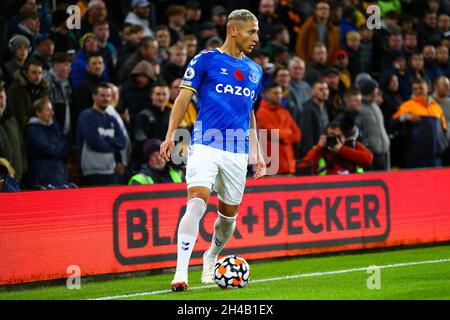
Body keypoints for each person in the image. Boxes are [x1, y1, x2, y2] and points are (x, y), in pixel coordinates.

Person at [160, 9, 265, 291]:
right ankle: (181, 272)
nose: (256, 37)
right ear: (233, 30)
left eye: (256, 31)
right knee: (196, 202)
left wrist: (257, 151)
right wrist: (171, 134)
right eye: (251, 31)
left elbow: (250, 112)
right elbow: (183, 97)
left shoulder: (255, 71)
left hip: (237, 151)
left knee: (228, 217)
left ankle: (211, 256)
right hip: (204, 144)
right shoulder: (205, 60)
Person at [76, 83, 126, 186]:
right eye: (102, 95)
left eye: (108, 96)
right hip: (92, 172)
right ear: (94, 96)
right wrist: (113, 145)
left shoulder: (112, 118)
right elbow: (94, 142)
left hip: (111, 171)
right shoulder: (86, 116)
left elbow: (122, 142)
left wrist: (106, 139)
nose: (106, 99)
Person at [392, 79, 448, 168]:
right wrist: (406, 117)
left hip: (436, 157)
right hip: (416, 157)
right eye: (415, 89)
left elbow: (444, 129)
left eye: (421, 88)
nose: (418, 91)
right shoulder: (407, 105)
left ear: (428, 88)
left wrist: (442, 148)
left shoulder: (436, 107)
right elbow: (393, 122)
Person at [24, 98, 71, 188]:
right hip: (42, 176)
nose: (52, 113)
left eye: (52, 110)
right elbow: (47, 149)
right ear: (38, 112)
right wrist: (59, 149)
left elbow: (66, 146)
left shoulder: (55, 126)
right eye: (48, 110)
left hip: (59, 175)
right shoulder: (32, 129)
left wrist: (58, 149)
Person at [256, 82, 301, 174]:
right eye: (275, 93)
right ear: (267, 94)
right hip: (272, 167)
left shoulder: (285, 112)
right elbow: (273, 135)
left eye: (280, 93)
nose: (279, 96)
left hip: (289, 165)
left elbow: (297, 135)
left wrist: (281, 135)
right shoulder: (262, 113)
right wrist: (288, 133)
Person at [301, 119, 373, 175]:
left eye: (337, 136)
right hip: (327, 188)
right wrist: (319, 147)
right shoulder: (320, 149)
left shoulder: (352, 145)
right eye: (330, 136)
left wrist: (342, 150)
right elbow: (303, 168)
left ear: (344, 136)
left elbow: (368, 159)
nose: (334, 139)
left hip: (352, 186)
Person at [358, 79, 391, 171]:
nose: (378, 91)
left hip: (384, 150)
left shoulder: (375, 106)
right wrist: (367, 146)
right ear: (371, 91)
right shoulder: (360, 108)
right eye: (376, 89)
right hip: (372, 153)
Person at [7, 59, 49, 130]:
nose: (37, 77)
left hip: (42, 128)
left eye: (40, 73)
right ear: (25, 73)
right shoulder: (16, 89)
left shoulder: (44, 88)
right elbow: (20, 118)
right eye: (33, 73)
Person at [0, 82, 27, 184]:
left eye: (2, 98)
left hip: (16, 179)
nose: (1, 102)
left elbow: (21, 146)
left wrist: (24, 167)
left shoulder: (12, 120)